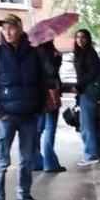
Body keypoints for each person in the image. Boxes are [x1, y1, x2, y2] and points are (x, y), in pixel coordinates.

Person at [0, 14, 50, 200]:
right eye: (4, 28)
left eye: (11, 28)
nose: (7, 32)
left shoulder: (33, 54)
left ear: (20, 29)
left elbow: (41, 82)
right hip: (7, 116)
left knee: (26, 159)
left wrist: (41, 106)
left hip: (29, 116)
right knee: (2, 161)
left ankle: (23, 197)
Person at [72, 29, 100, 166]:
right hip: (88, 92)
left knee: (86, 125)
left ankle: (90, 154)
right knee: (92, 123)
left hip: (88, 92)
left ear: (88, 39)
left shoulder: (89, 54)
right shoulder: (82, 54)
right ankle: (96, 150)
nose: (80, 40)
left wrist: (78, 86)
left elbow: (92, 73)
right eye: (77, 37)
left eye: (83, 37)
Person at [33, 39, 65, 174]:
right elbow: (51, 72)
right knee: (50, 129)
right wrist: (57, 60)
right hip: (49, 94)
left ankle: (35, 161)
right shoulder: (48, 52)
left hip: (37, 95)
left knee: (38, 129)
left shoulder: (33, 52)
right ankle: (50, 163)